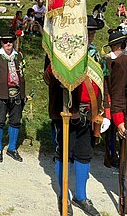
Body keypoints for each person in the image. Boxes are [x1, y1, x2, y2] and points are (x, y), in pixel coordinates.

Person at [45, 15, 106, 216]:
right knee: (64, 155)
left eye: (92, 32)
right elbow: (49, 77)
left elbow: (102, 85)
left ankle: (80, 196)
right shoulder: (64, 52)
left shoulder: (95, 55)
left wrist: (102, 110)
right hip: (68, 112)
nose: (91, 35)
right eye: (87, 32)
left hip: (90, 113)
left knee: (84, 156)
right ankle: (64, 196)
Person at [0, 32, 26, 163]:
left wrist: (23, 94)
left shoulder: (18, 56)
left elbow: (23, 75)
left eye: (10, 41)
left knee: (15, 121)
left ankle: (12, 148)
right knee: (0, 121)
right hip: (0, 94)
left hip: (17, 93)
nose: (8, 43)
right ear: (1, 43)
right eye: (5, 41)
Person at [103, 29, 126, 168]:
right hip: (112, 100)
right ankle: (110, 156)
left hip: (117, 100)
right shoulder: (111, 61)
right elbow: (108, 85)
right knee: (110, 133)